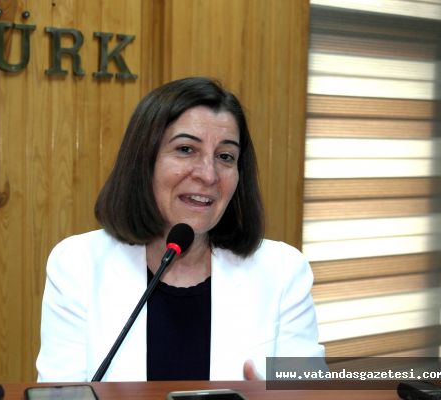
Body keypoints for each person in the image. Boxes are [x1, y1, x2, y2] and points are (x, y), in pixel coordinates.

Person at [36, 77, 324, 382]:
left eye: (225, 156)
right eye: (186, 149)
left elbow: (309, 388)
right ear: (144, 161)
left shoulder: (282, 271)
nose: (208, 175)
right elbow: (58, 393)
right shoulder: (78, 264)